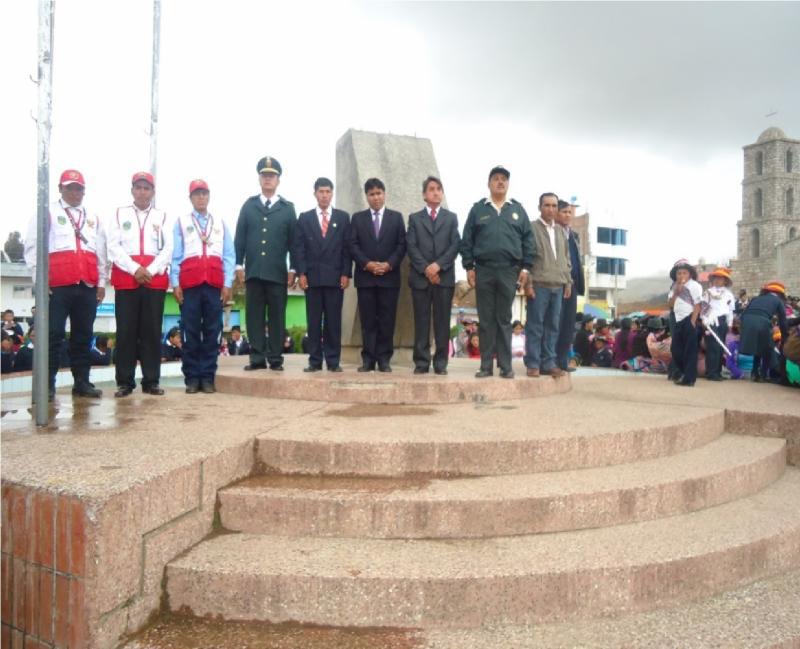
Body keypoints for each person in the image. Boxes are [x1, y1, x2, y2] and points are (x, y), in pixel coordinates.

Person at [24, 169, 108, 400]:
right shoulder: (47, 212)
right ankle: (46, 385)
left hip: (86, 286)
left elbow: (100, 252)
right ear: (60, 188)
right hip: (57, 286)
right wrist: (39, 281)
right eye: (70, 187)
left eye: (78, 188)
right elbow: (32, 247)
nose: (74, 192)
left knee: (83, 335)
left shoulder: (94, 218)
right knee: (53, 335)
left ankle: (81, 382)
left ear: (84, 191)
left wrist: (101, 282)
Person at [460, 165, 534, 379]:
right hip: (484, 269)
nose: (500, 182)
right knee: (486, 319)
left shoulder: (518, 210)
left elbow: (528, 241)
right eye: (496, 179)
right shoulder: (478, 209)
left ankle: (505, 365)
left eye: (504, 179)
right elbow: (467, 240)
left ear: (508, 184)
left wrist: (525, 268)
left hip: (509, 270)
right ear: (489, 183)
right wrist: (469, 267)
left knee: (504, 318)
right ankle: (485, 366)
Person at [107, 171, 173, 397]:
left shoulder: (163, 216)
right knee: (125, 331)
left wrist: (150, 270)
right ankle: (125, 382)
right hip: (127, 279)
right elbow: (113, 247)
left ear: (153, 192)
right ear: (132, 190)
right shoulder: (119, 214)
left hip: (153, 280)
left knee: (151, 332)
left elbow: (167, 249)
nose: (142, 192)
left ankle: (151, 380)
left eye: (147, 188)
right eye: (138, 187)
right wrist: (135, 269)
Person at [170, 179, 234, 393]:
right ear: (190, 198)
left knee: (212, 331)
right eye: (196, 194)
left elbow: (229, 255)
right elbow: (176, 255)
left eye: (204, 193)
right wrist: (175, 282)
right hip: (190, 284)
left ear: (209, 196)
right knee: (190, 332)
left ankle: (207, 377)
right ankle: (192, 378)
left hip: (213, 284)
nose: (200, 197)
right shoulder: (181, 222)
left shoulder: (220, 223)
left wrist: (227, 283)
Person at [235, 156, 297, 372]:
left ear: (278, 179)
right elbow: (240, 238)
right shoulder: (249, 206)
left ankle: (276, 357)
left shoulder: (287, 208)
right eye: (264, 175)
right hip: (253, 272)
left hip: (278, 273)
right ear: (259, 179)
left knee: (277, 316)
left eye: (272, 175)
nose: (268, 179)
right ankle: (257, 357)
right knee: (254, 316)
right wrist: (238, 265)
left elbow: (294, 242)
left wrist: (293, 268)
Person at [348, 178, 406, 372]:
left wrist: (389, 264)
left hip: (389, 279)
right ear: (367, 196)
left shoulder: (396, 218)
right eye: (371, 194)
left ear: (384, 193)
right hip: (366, 279)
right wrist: (367, 264)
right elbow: (352, 245)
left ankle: (384, 359)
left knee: (387, 321)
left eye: (379, 193)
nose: (376, 197)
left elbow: (401, 245)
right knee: (368, 321)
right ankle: (368, 359)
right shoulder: (358, 218)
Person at [294, 177, 351, 372]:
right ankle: (315, 361)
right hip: (313, 278)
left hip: (335, 278)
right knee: (314, 321)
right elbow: (299, 248)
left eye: (328, 191)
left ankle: (333, 361)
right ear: (315, 194)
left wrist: (346, 273)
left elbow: (346, 248)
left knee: (334, 321)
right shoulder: (305, 218)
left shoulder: (343, 218)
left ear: (332, 193)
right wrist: (301, 273)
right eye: (321, 191)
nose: (324, 195)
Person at [406, 176, 460, 375]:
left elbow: (455, 245)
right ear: (424, 195)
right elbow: (411, 246)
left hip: (443, 278)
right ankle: (421, 362)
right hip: (421, 278)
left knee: (442, 322)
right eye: (431, 189)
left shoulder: (451, 217)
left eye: (439, 189)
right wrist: (426, 269)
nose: (435, 192)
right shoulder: (414, 218)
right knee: (421, 321)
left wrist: (438, 266)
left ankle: (440, 363)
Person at [524, 193, 572, 378]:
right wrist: (528, 284)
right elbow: (526, 257)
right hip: (538, 284)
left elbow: (566, 259)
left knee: (553, 326)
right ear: (539, 207)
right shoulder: (531, 228)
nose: (550, 209)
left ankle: (548, 362)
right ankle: (533, 363)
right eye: (547, 205)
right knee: (535, 326)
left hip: (558, 286)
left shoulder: (561, 231)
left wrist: (568, 281)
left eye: (554, 206)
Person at [555, 200, 584, 372]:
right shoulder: (553, 232)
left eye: (569, 212)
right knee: (555, 323)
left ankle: (563, 360)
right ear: (556, 214)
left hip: (572, 285)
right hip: (558, 283)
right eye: (564, 211)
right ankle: (552, 361)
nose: (567, 215)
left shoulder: (573, 235)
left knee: (568, 324)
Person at [740, 281, 789, 382]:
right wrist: (785, 336)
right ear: (780, 294)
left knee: (759, 347)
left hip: (746, 320)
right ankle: (762, 374)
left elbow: (744, 313)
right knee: (768, 348)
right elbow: (783, 321)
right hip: (762, 321)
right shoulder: (778, 301)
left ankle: (754, 373)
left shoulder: (756, 298)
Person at [667, 259, 703, 387]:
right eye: (679, 273)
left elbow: (698, 305)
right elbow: (670, 305)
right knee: (676, 350)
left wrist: (693, 321)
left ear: (690, 274)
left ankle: (689, 378)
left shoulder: (695, 286)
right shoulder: (674, 287)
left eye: (684, 273)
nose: (681, 276)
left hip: (688, 319)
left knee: (690, 350)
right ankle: (681, 373)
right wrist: (676, 293)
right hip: (677, 319)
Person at [700, 267, 735, 381]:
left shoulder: (729, 294)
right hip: (710, 321)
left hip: (722, 321)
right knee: (712, 346)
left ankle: (718, 371)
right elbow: (703, 307)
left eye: (720, 278)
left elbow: (730, 310)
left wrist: (729, 323)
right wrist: (704, 320)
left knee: (720, 347)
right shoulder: (708, 293)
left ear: (725, 280)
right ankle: (711, 372)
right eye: (716, 278)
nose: (717, 280)